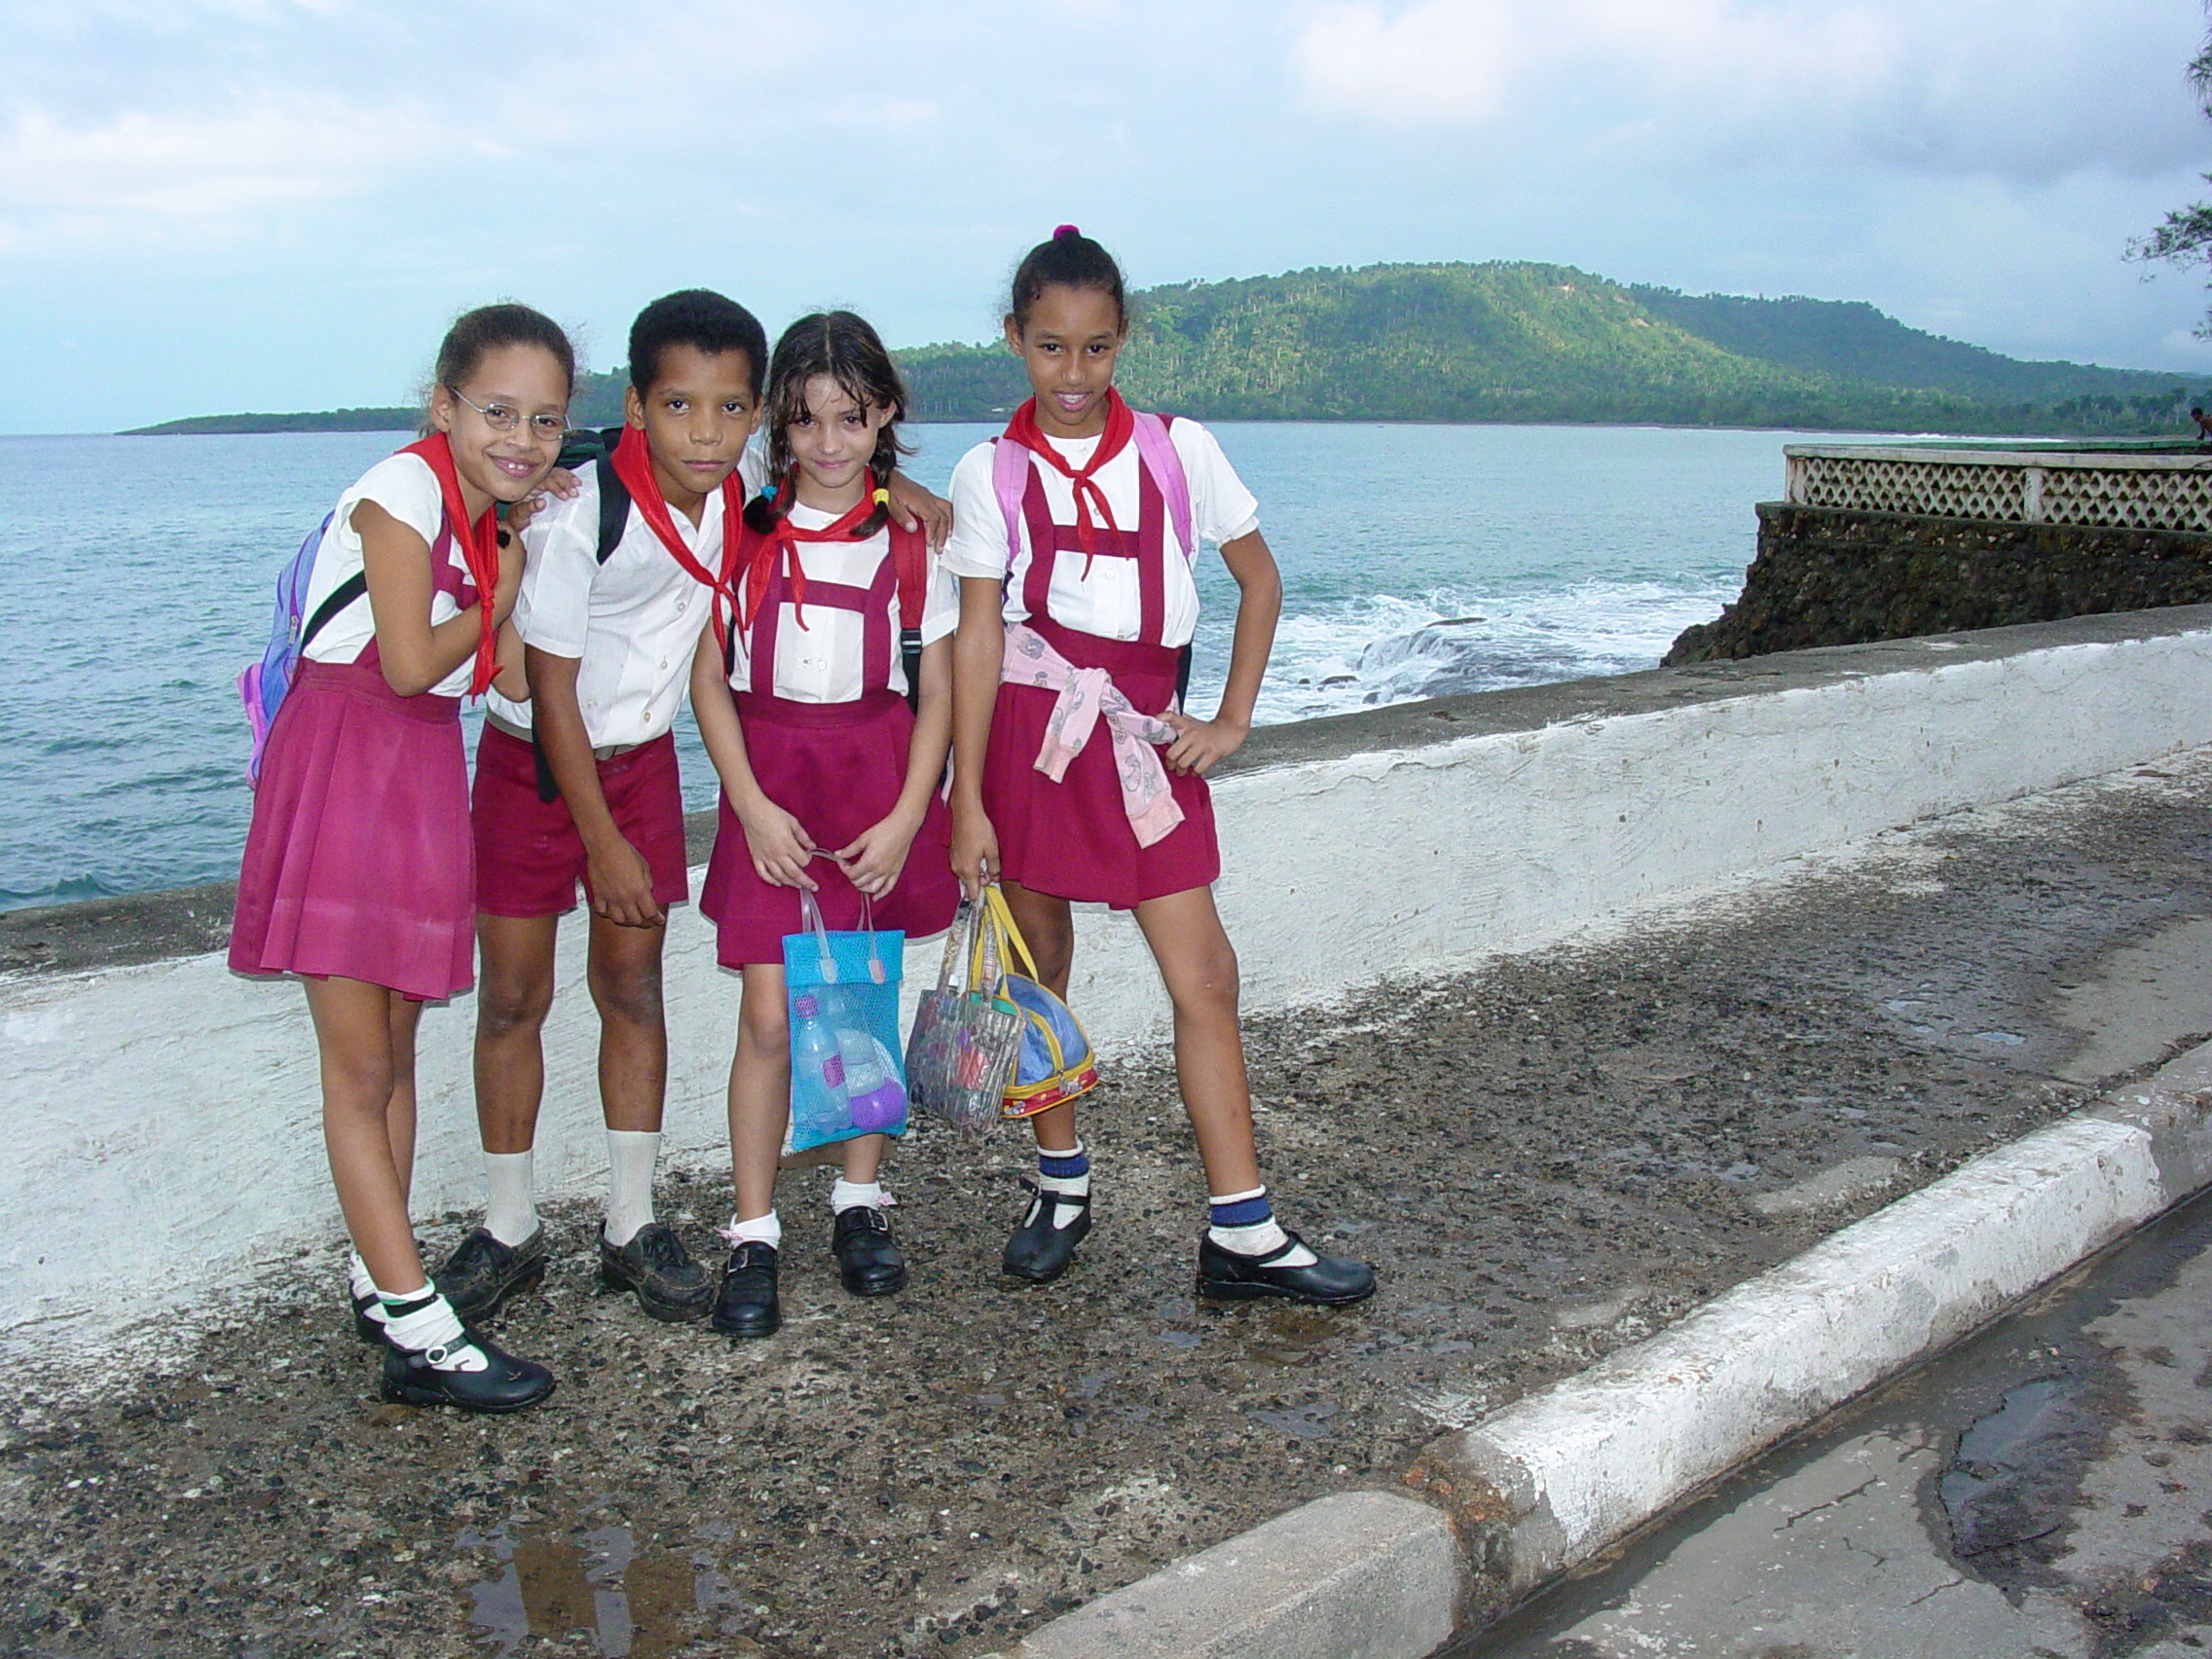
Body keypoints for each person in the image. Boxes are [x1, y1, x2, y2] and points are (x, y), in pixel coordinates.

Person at [942, 227, 1375, 1306]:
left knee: (1206, 976)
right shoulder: (987, 469)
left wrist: (1228, 721)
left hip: (1142, 743)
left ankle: (1241, 1230)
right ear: (1014, 341)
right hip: (1032, 743)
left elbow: (1259, 581)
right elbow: (977, 640)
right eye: (1050, 348)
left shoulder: (1179, 450)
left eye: (1095, 349)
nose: (1073, 374)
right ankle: (1060, 1183)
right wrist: (964, 801)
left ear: (1121, 340)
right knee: (1038, 971)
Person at [228, 303, 571, 1410]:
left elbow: (511, 681)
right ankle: (423, 1330)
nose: (520, 438)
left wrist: (525, 550)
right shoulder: (400, 492)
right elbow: (418, 659)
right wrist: (504, 591)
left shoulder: (482, 520)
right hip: (345, 759)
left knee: (399, 1049)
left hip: (414, 772)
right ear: (445, 406)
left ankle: (385, 1285)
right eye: (497, 413)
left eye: (546, 422)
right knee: (359, 1070)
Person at [434, 290, 766, 1329]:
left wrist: (916, 501)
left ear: (754, 414)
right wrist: (601, 842)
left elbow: (842, 480)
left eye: (727, 409)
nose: (704, 434)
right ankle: (508, 1226)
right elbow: (554, 687)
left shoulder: (738, 483)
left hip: (643, 764)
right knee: (512, 999)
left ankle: (631, 1223)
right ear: (634, 405)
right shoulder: (583, 514)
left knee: (632, 990)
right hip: (537, 764)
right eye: (677, 407)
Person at [691, 311, 962, 1338]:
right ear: (777, 425)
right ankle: (753, 1227)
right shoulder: (740, 533)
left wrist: (906, 820)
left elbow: (935, 695)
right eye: (805, 422)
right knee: (766, 1019)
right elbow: (707, 677)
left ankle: (858, 1201)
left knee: (862, 1005)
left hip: (875, 789)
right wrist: (750, 806)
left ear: (885, 414)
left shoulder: (911, 542)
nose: (829, 443)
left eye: (850, 419)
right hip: (771, 789)